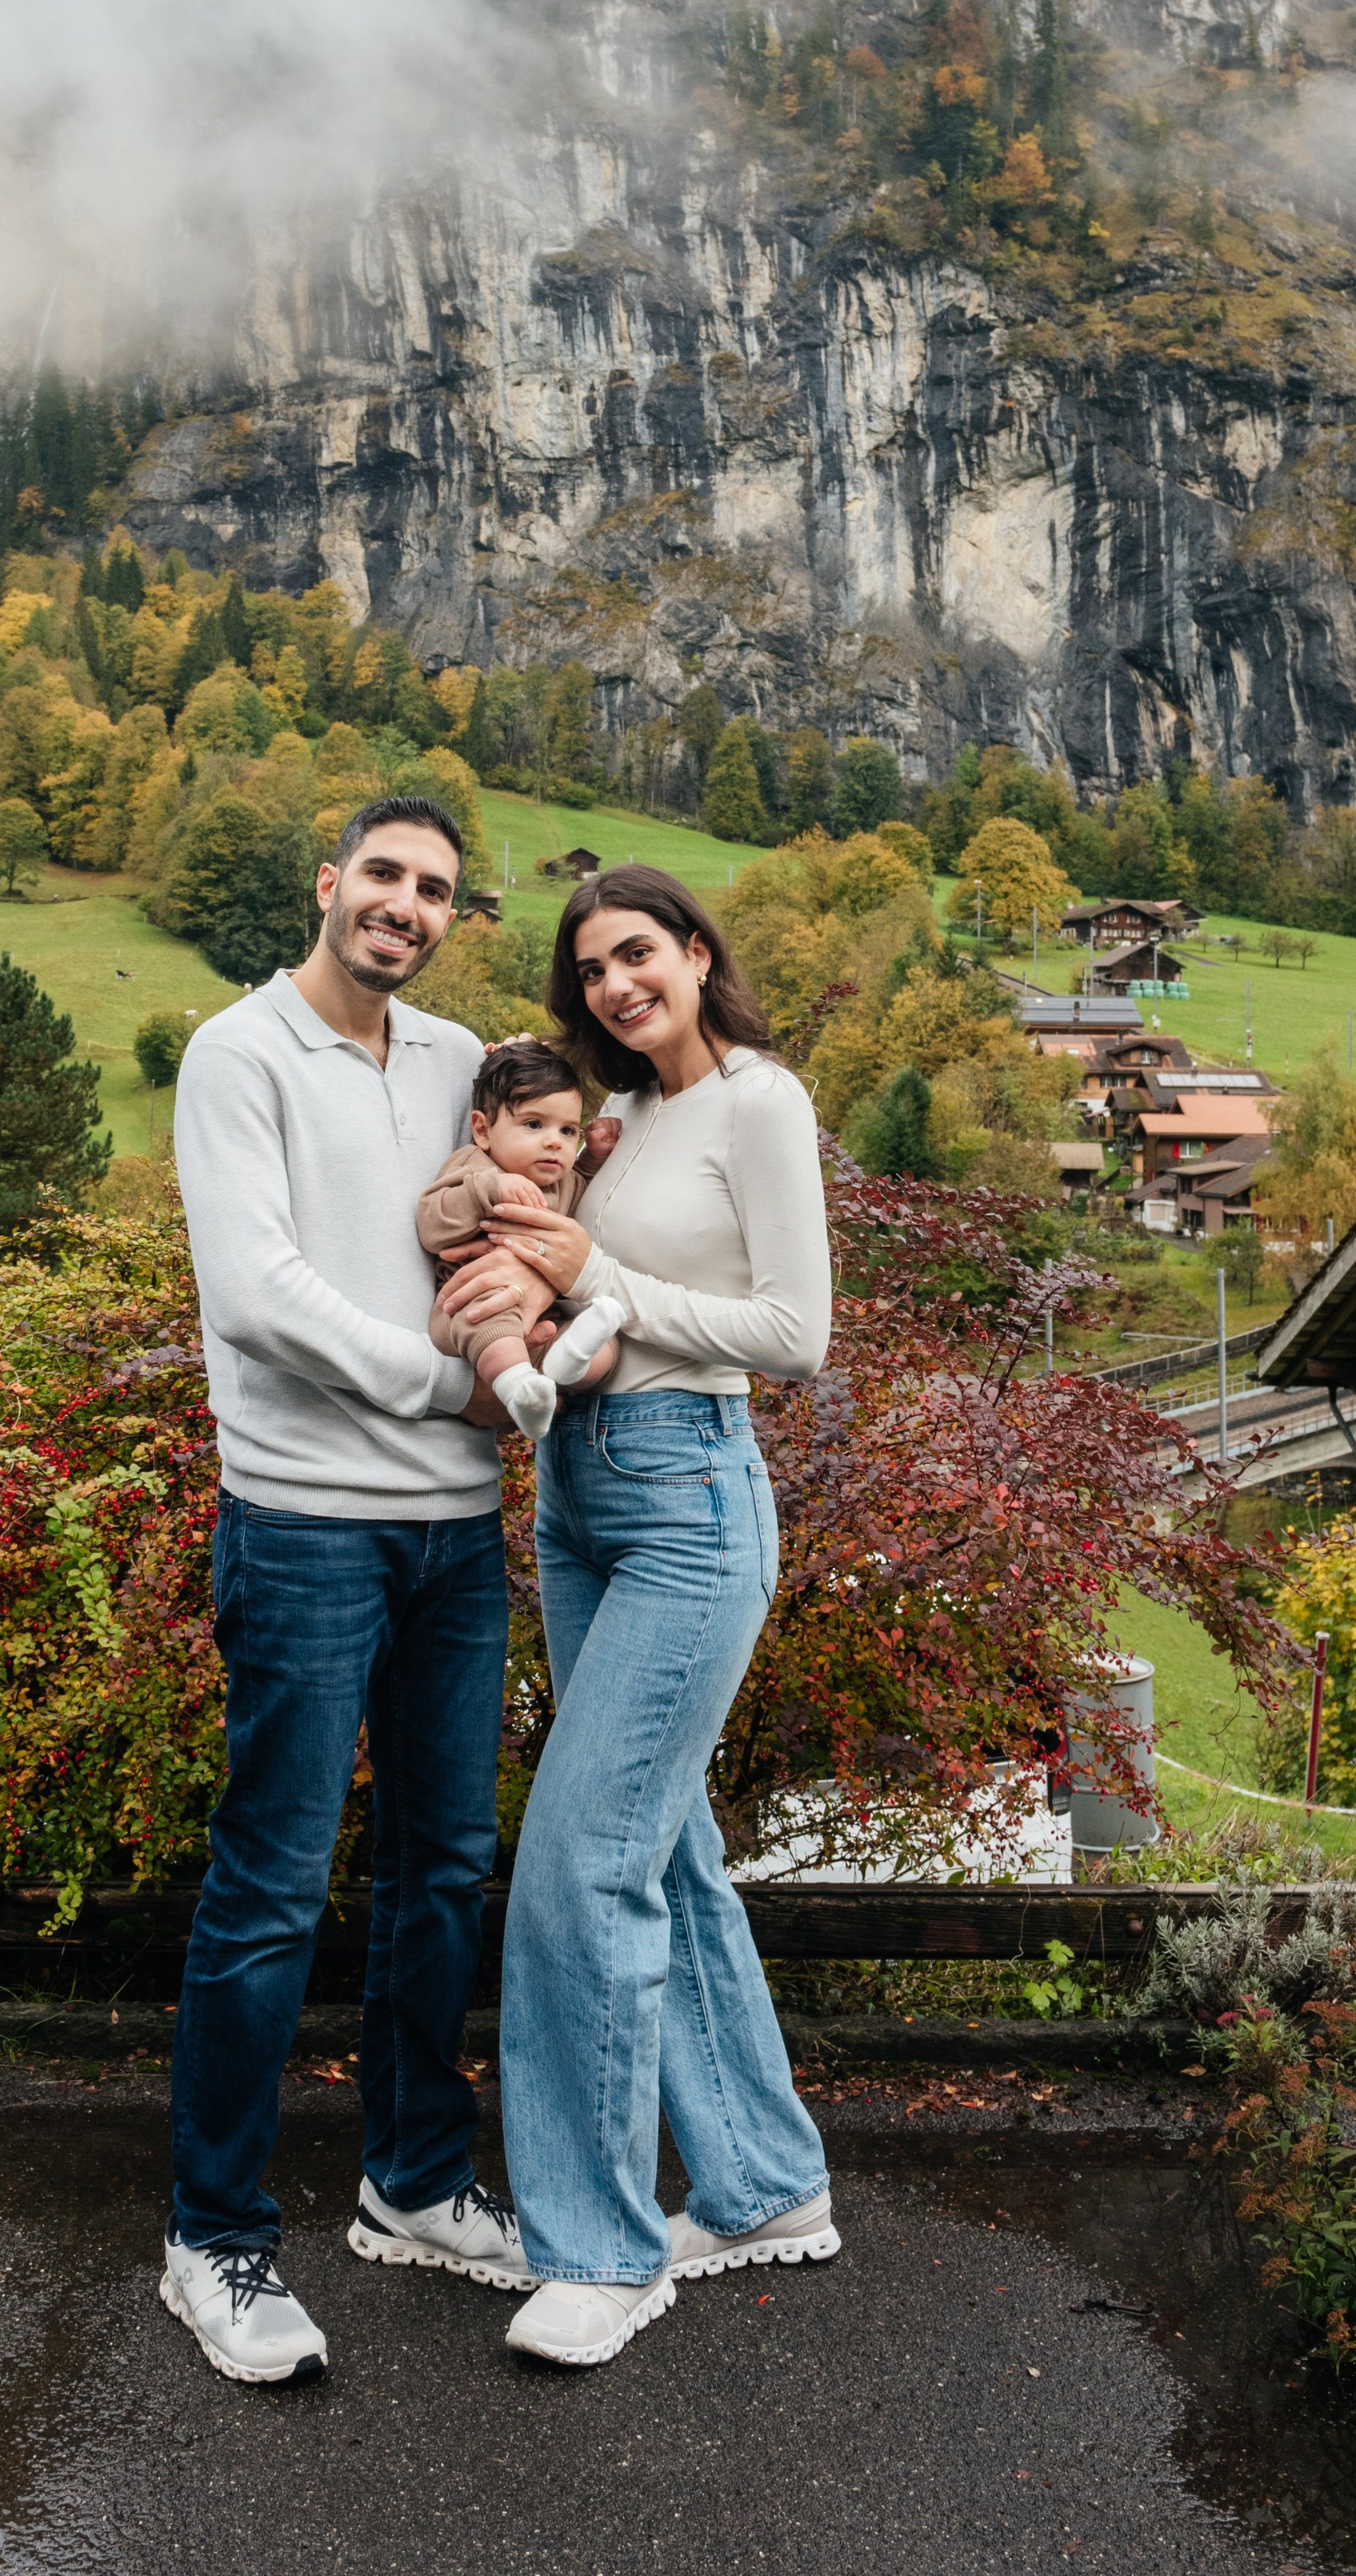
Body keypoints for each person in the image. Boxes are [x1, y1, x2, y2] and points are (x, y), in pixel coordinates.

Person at [437, 865, 838, 2370]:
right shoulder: (626, 1121)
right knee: (667, 1855)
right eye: (591, 969)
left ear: (697, 955)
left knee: (576, 1868)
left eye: (638, 956)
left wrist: (596, 1270)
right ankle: (762, 2185)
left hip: (688, 1498)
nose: (615, 985)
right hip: (583, 1496)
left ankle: (605, 2253)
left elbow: (795, 1336)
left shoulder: (759, 1101)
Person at [165, 794, 542, 2386]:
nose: (402, 904)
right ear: (326, 885)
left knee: (444, 1866)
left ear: (451, 917)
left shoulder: (460, 1064)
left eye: (433, 889)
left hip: (457, 1538)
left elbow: (541, 1194)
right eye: (381, 875)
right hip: (308, 1523)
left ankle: (410, 2178)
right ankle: (215, 2239)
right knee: (270, 1883)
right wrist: (450, 1388)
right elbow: (258, 1299)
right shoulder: (234, 1056)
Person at [417, 1038, 625, 1441]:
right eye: (534, 1124)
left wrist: (594, 1157)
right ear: (482, 1130)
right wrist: (489, 1190)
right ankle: (517, 1388)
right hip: (471, 1308)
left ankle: (559, 1370)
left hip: (545, 1319)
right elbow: (432, 1222)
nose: (554, 1141)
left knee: (607, 1351)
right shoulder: (474, 1167)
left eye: (568, 1130)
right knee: (491, 1317)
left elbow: (583, 1187)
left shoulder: (561, 1182)